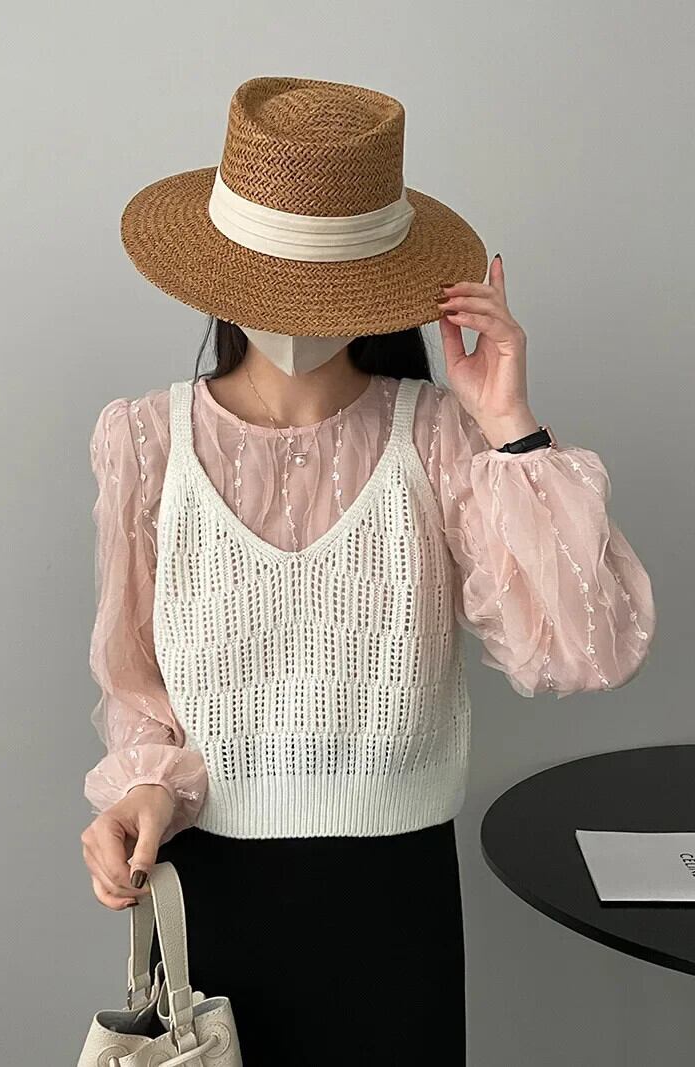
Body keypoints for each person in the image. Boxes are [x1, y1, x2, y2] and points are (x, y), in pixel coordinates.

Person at [79, 76, 655, 1065]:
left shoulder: (440, 439)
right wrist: (139, 792)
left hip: (395, 906)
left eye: (324, 279)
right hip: (207, 896)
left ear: (374, 281)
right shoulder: (145, 441)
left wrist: (508, 424)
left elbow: (583, 651)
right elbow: (140, 691)